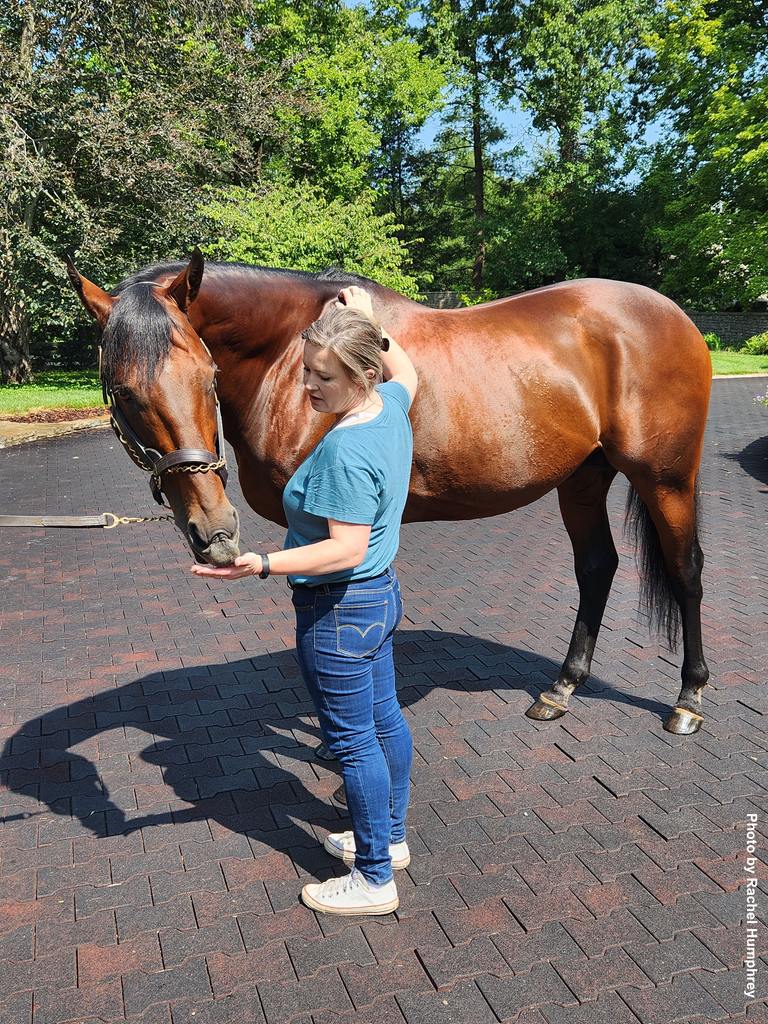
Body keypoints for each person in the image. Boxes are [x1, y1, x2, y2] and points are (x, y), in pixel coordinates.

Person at [191, 286, 418, 916]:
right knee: (384, 720)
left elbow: (343, 549)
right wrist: (369, 325)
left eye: (323, 376)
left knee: (353, 743)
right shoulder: (388, 407)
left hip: (340, 609)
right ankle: (390, 839)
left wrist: (259, 563)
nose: (309, 387)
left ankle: (373, 879)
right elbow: (409, 369)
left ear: (361, 375)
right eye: (306, 371)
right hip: (378, 598)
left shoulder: (346, 448)